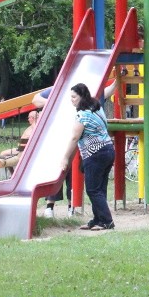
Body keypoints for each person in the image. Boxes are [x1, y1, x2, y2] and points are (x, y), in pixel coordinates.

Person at [61, 83, 115, 231]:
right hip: (109, 150)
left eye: (74, 97)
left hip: (95, 153)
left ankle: (107, 221)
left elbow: (74, 138)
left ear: (81, 97)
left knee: (92, 189)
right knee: (100, 188)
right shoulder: (97, 109)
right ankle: (98, 219)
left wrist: (65, 158)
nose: (71, 100)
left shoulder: (82, 115)